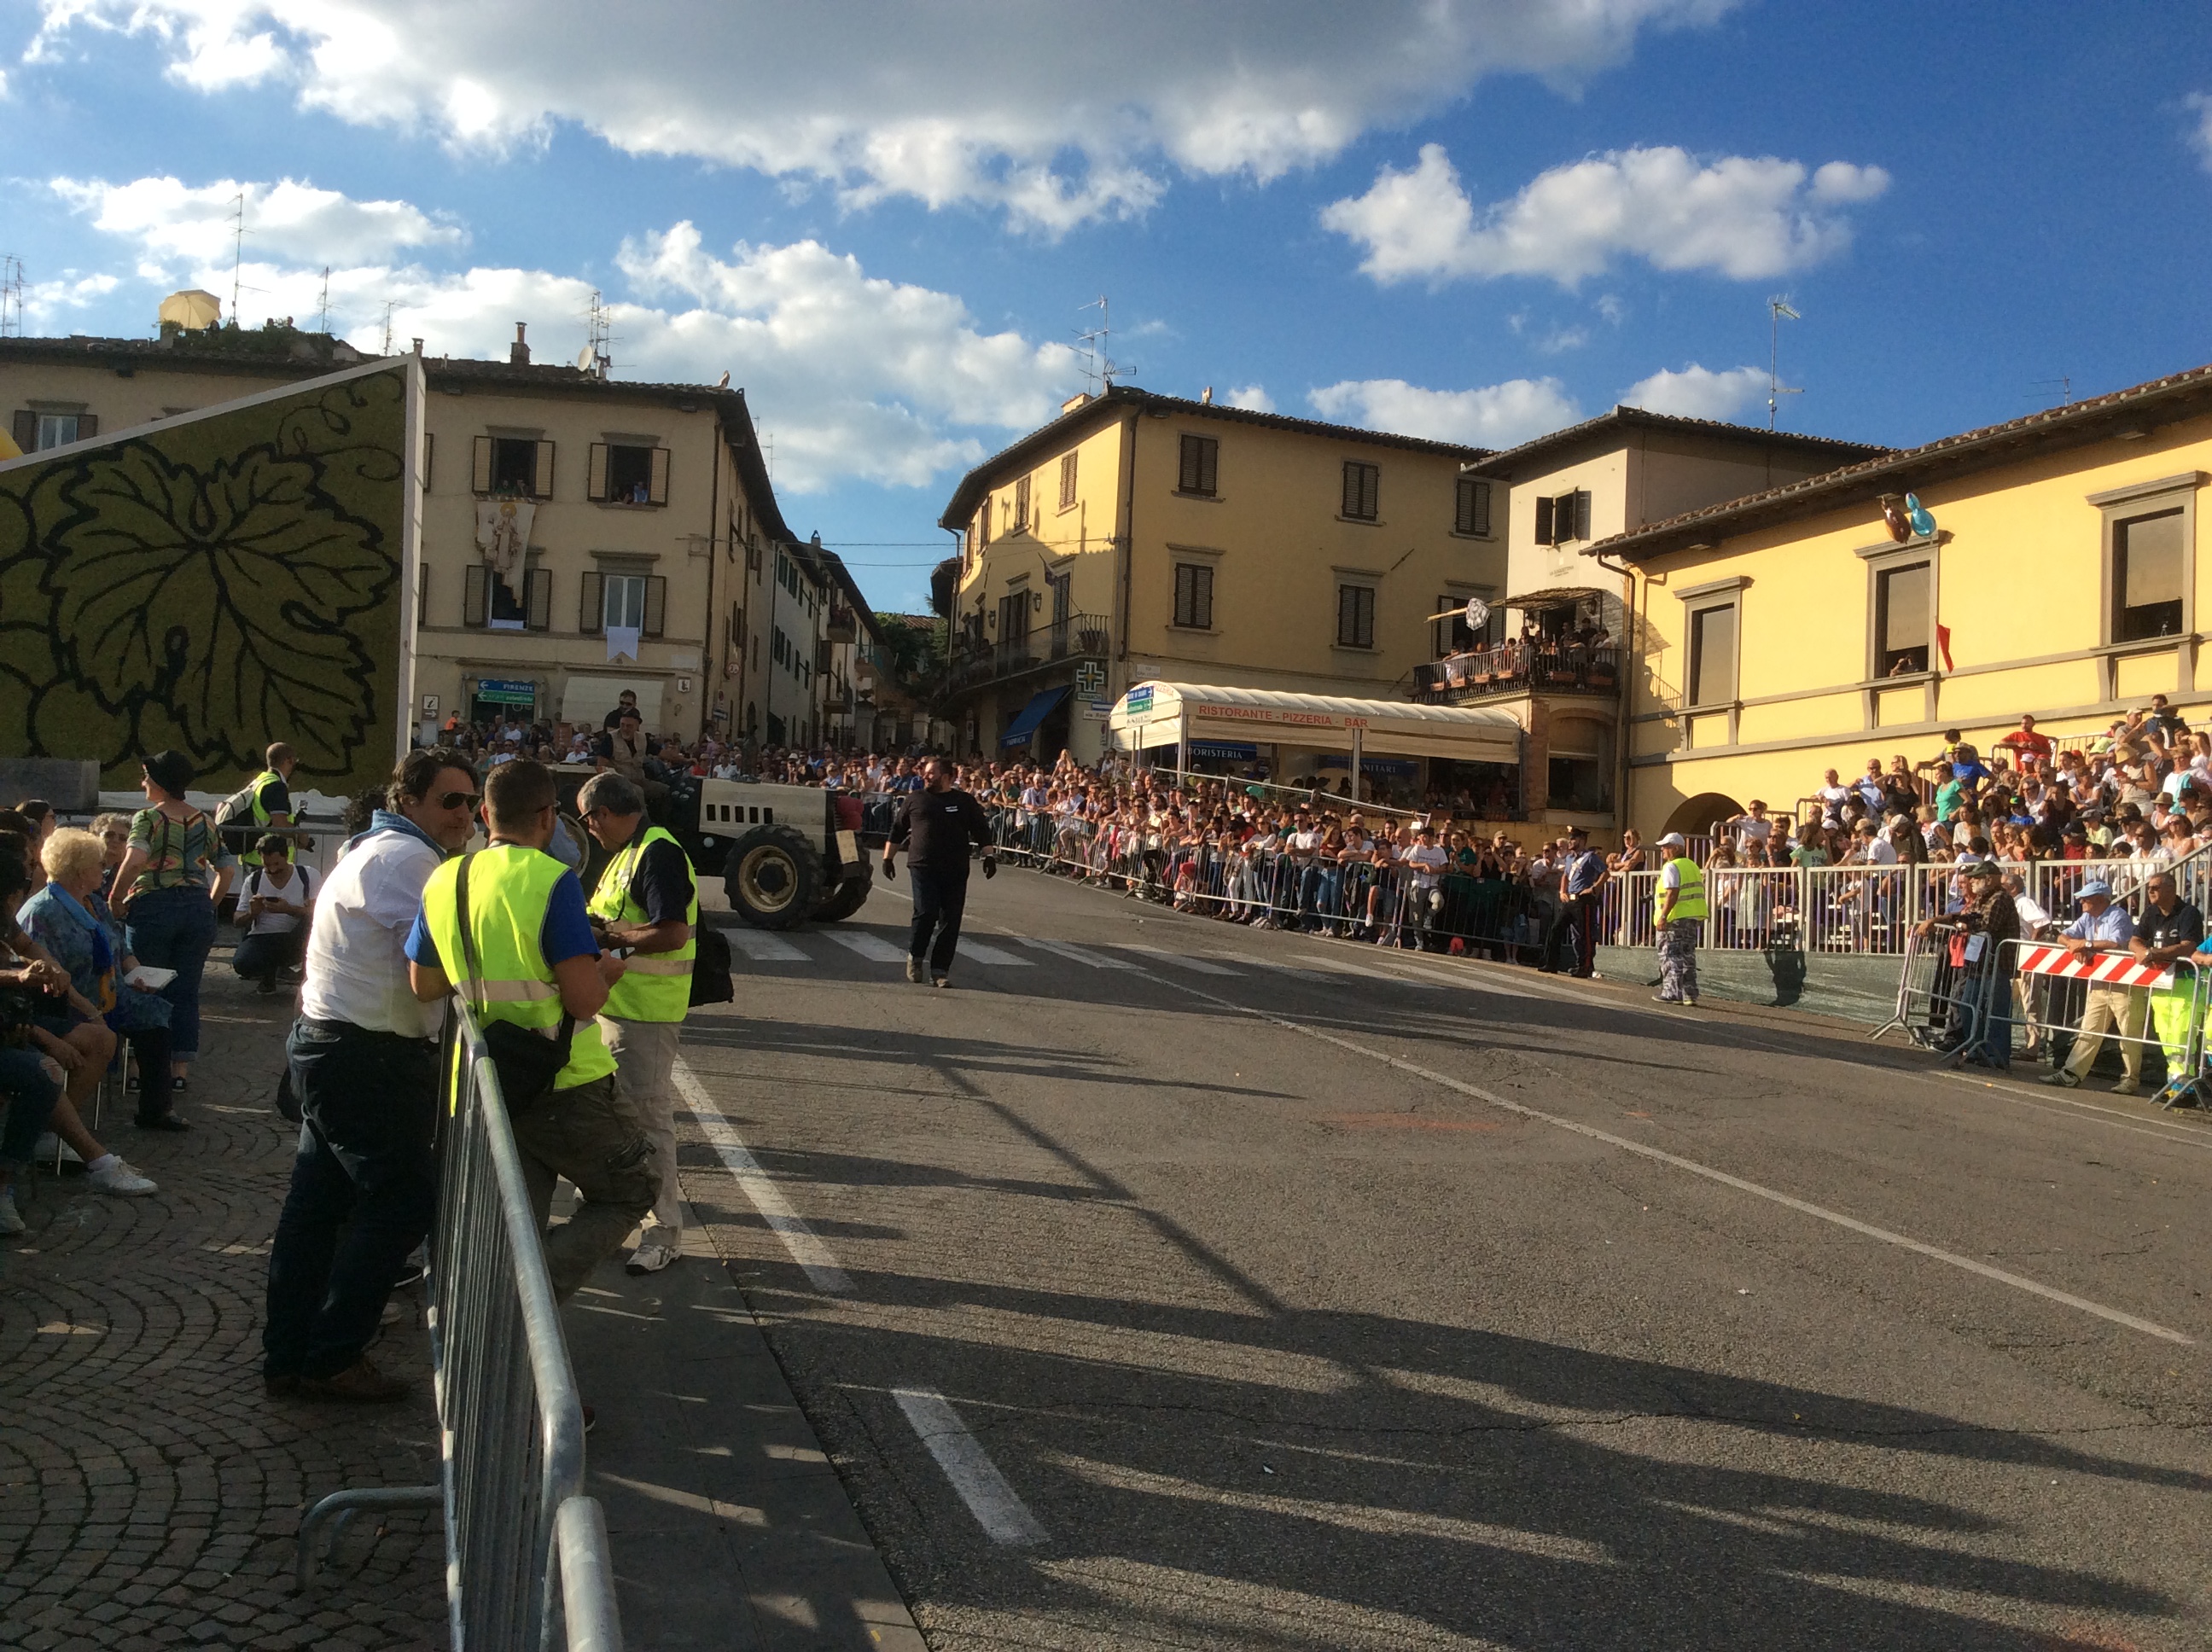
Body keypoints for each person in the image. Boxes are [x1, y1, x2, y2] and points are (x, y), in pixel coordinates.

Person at [264, 750, 483, 1403]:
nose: (465, 813)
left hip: (338, 1047)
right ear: (409, 800)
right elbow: (448, 958)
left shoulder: (378, 849)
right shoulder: (407, 860)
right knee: (401, 1201)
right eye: (451, 801)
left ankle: (291, 1353)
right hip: (366, 1057)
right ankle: (330, 1352)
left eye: (471, 801)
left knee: (317, 1206)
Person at [407, 759, 660, 1304]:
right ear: (549, 817)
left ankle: (505, 1327)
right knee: (633, 1188)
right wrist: (608, 971)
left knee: (517, 1219)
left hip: (485, 1077)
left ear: (484, 814)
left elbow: (425, 985)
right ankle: (526, 1294)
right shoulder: (552, 882)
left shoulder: (444, 877)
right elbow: (583, 998)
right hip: (566, 1080)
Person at [579, 771, 697, 1277]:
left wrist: (613, 942)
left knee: (648, 1120)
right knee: (622, 1118)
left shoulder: (656, 851)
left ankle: (664, 1230)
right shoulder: (630, 853)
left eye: (588, 821)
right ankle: (620, 1215)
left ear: (602, 813)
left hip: (645, 1011)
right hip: (620, 1006)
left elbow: (672, 932)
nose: (589, 832)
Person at [106, 750, 230, 1104]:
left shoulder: (149, 818)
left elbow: (136, 859)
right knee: (186, 992)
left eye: (147, 777)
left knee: (147, 986)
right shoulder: (205, 821)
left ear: (160, 782)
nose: (143, 782)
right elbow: (227, 870)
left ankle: (141, 1071)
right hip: (195, 908)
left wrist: (116, 897)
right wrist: (209, 904)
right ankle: (179, 1073)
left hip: (154, 905)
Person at [882, 756, 996, 987]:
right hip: (923, 866)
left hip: (955, 869)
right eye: (925, 772)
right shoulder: (915, 799)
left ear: (947, 777)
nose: (926, 776)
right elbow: (897, 830)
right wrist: (888, 858)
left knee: (950, 920)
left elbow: (981, 830)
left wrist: (989, 855)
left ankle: (939, 970)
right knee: (925, 912)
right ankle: (915, 956)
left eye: (931, 772)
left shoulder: (963, 801)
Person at [2043, 880, 2144, 1093]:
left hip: (2123, 984)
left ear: (2100, 899)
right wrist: (2073, 945)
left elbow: (2116, 943)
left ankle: (2131, 1079)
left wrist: (2085, 944)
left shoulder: (2119, 916)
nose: (2081, 901)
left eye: (2086, 898)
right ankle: (2072, 1073)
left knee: (2128, 1034)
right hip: (2099, 983)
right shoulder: (2087, 917)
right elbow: (2064, 935)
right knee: (2089, 1029)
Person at [2130, 871, 2204, 1103]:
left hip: (2185, 983)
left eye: (2155, 887)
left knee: (2183, 1037)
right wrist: (2141, 951)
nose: (2150, 891)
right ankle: (2174, 1085)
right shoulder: (2151, 912)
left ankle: (2188, 1089)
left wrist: (2155, 953)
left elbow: (2188, 946)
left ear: (2171, 889)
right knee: (2166, 1036)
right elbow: (2135, 939)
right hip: (2161, 983)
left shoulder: (2188, 913)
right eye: (2149, 888)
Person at [232, 835, 315, 995]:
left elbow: (319, 912)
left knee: (310, 922)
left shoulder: (307, 875)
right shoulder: (254, 879)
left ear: (287, 857)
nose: (273, 870)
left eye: (277, 864)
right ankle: (268, 974)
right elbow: (237, 919)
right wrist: (252, 913)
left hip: (296, 935)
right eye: (267, 865)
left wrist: (288, 909)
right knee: (242, 963)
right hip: (263, 937)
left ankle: (301, 977)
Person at [1540, 825, 1607, 978]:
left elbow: (1605, 872)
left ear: (1582, 840)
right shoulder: (1570, 858)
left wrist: (1594, 889)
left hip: (1584, 900)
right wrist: (1562, 891)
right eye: (1570, 838)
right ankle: (1551, 963)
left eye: (1573, 838)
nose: (1570, 841)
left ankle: (1585, 967)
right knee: (1557, 929)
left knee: (1585, 935)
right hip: (1569, 900)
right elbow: (1565, 875)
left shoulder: (1590, 857)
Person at [1651, 830, 1705, 1008]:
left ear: (1676, 848)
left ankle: (1672, 992)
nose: (1663, 851)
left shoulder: (1671, 866)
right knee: (1688, 956)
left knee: (1670, 955)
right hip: (1690, 917)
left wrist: (1664, 916)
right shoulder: (1692, 865)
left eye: (1666, 847)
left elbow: (1672, 892)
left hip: (1674, 919)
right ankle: (1689, 994)